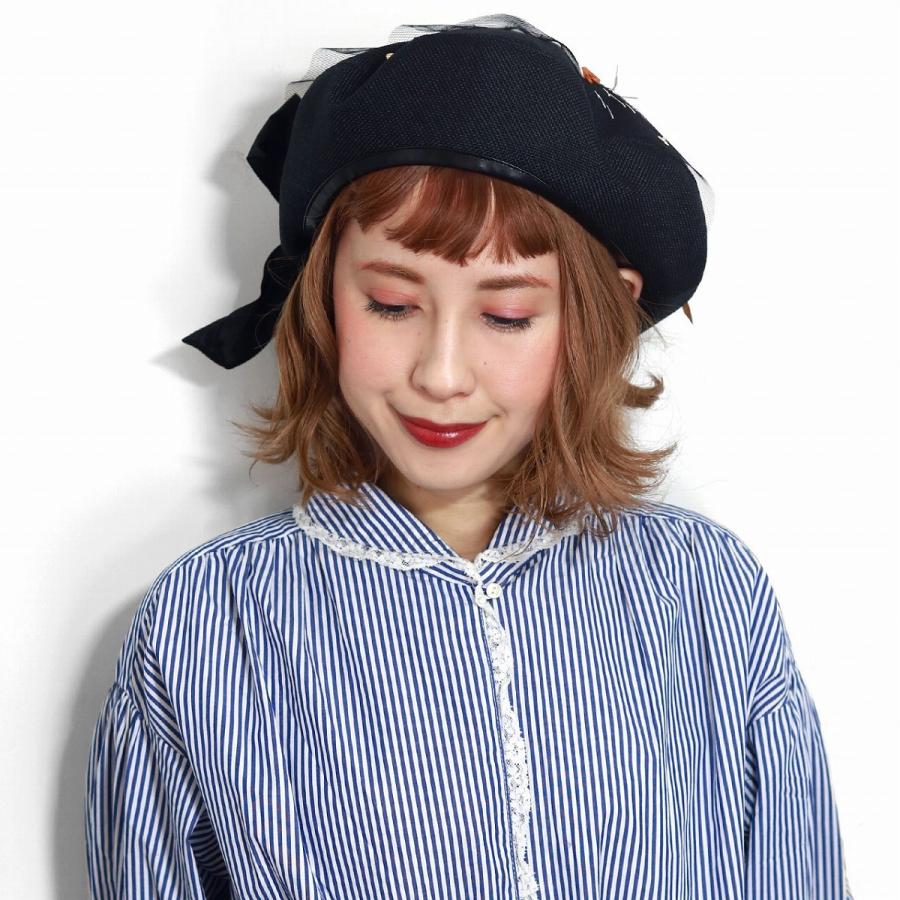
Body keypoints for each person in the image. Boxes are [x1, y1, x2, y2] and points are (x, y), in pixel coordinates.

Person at [83, 15, 853, 899]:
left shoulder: (707, 593)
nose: (441, 375)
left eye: (506, 315)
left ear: (597, 320)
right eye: (391, 303)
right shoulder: (206, 625)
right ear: (323, 297)